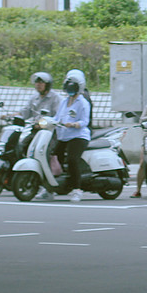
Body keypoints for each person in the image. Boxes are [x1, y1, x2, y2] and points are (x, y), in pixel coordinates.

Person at [52, 69, 91, 200]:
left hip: (78, 136)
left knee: (72, 159)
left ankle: (77, 189)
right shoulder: (64, 101)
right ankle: (53, 186)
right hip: (63, 135)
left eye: (73, 86)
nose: (70, 89)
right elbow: (57, 117)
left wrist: (73, 124)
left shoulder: (83, 102)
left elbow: (85, 121)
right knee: (53, 157)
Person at [5, 71, 62, 154]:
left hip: (50, 132)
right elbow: (25, 111)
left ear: (48, 84)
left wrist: (42, 123)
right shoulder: (34, 98)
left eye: (41, 82)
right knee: (22, 147)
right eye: (36, 82)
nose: (38, 84)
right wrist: (10, 116)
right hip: (35, 130)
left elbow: (57, 116)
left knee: (45, 151)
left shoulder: (56, 98)